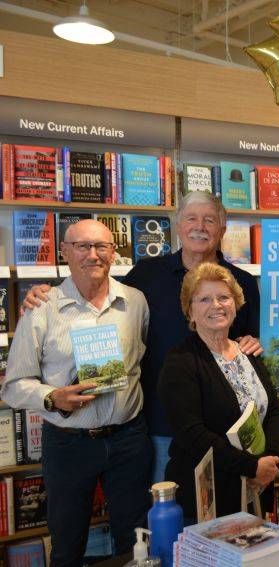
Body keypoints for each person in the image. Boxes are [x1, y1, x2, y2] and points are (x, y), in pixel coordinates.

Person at [22, 191, 263, 484]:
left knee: (230, 515)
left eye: (209, 220)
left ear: (222, 229)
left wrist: (253, 343)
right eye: (191, 218)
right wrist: (50, 292)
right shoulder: (146, 275)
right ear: (178, 225)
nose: (200, 226)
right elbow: (99, 293)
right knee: (169, 515)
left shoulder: (244, 284)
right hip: (161, 426)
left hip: (227, 428)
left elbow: (250, 343)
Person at [2, 220, 151, 567]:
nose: (92, 255)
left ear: (113, 252)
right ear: (65, 251)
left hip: (128, 439)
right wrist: (53, 398)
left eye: (101, 246)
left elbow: (141, 358)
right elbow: (13, 385)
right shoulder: (41, 309)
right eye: (82, 246)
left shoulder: (135, 302)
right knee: (68, 544)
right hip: (68, 443)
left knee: (135, 542)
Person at [158, 263, 279, 519]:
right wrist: (251, 467)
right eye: (204, 299)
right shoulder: (179, 362)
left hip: (255, 488)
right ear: (190, 311)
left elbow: (274, 411)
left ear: (235, 305)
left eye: (224, 297)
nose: (216, 305)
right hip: (207, 498)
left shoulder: (248, 353)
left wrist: (269, 462)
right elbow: (193, 434)